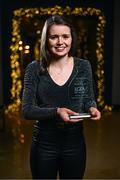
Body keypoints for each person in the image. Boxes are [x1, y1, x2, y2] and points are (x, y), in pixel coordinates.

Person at [22, 14, 101, 179]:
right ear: (46, 40)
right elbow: (27, 110)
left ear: (72, 38)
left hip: (75, 144)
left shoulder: (83, 66)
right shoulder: (34, 68)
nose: (60, 42)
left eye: (65, 36)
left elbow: (88, 98)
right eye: (54, 37)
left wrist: (92, 107)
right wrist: (57, 112)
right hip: (44, 144)